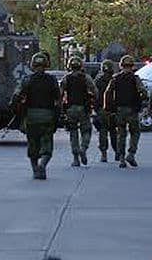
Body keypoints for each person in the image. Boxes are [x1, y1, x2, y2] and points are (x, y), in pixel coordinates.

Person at [11, 51, 60, 179]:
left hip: (31, 117)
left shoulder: (27, 80)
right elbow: (58, 99)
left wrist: (15, 108)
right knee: (47, 146)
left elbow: (16, 96)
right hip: (47, 116)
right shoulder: (52, 80)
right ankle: (42, 165)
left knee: (32, 145)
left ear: (33, 64)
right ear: (46, 65)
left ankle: (35, 169)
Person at [104, 55, 149, 168]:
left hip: (119, 110)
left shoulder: (115, 78)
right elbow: (143, 91)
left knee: (121, 134)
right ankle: (131, 153)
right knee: (135, 132)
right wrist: (143, 102)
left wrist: (108, 108)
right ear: (132, 66)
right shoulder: (135, 78)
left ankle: (122, 159)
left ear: (121, 65)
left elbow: (108, 93)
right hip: (132, 110)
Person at [60, 56, 97, 166]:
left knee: (73, 132)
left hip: (71, 109)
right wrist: (92, 100)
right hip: (83, 109)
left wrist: (61, 109)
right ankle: (83, 148)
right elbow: (95, 91)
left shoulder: (66, 78)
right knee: (86, 131)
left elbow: (60, 94)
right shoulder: (86, 78)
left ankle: (76, 158)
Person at [94, 59, 118, 163]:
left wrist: (96, 108)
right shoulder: (115, 80)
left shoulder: (98, 81)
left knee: (103, 132)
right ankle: (117, 152)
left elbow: (94, 95)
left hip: (102, 110)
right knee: (114, 132)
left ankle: (104, 154)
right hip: (113, 110)